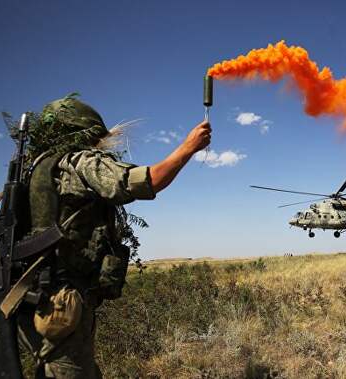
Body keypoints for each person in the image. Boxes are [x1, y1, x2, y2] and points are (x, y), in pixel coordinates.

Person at [13, 95, 210, 378]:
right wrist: (189, 147)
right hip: (59, 304)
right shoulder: (77, 163)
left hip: (23, 298)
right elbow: (146, 181)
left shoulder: (32, 173)